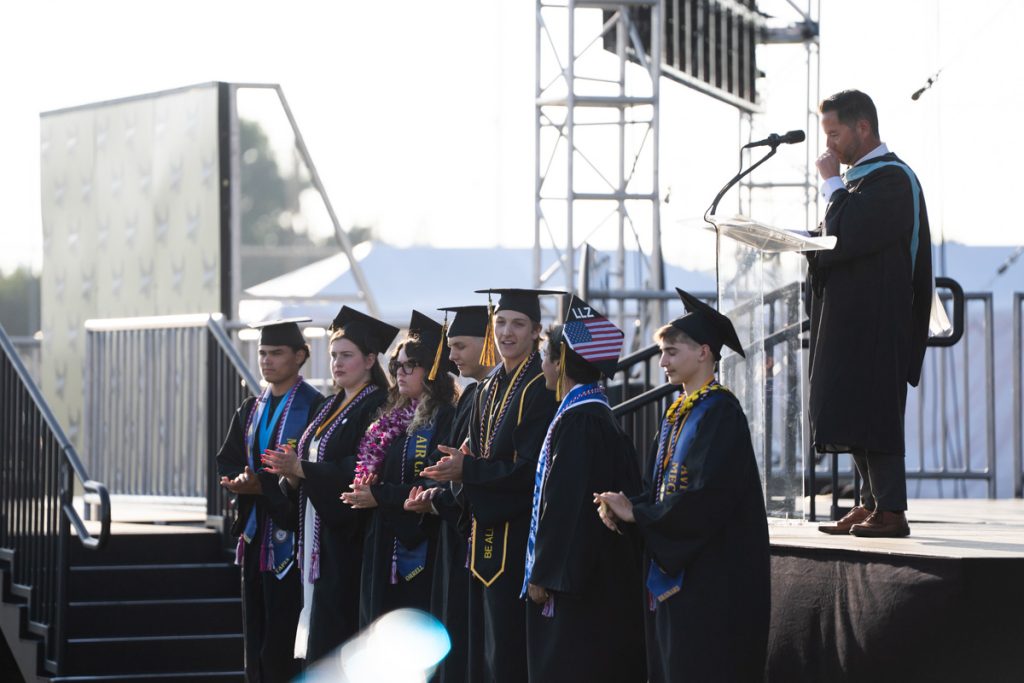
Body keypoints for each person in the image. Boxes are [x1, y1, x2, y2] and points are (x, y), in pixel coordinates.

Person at [596, 288, 770, 683]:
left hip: (711, 579)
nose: (662, 362)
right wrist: (626, 508)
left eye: (671, 352)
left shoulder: (720, 412)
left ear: (704, 352)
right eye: (662, 353)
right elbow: (659, 490)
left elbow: (706, 499)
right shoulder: (677, 413)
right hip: (678, 575)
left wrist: (639, 514)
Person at [809, 89, 933, 538]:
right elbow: (836, 236)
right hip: (853, 321)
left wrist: (831, 185)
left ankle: (892, 510)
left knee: (875, 411)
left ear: (863, 127)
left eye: (835, 133)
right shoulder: (860, 182)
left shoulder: (893, 179)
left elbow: (848, 234)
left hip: (881, 322)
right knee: (851, 407)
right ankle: (871, 504)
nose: (829, 145)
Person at [421, 288, 558, 683]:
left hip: (521, 539)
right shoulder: (488, 386)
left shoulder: (541, 386)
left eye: (518, 324)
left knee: (510, 650)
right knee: (483, 650)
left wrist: (467, 471)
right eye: (500, 323)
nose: (507, 332)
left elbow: (533, 471)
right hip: (483, 537)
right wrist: (456, 473)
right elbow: (477, 456)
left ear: (536, 331)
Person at [261, 307, 396, 663]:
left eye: (347, 355)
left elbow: (361, 466)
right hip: (316, 529)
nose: (337, 363)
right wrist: (292, 474)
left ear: (370, 360)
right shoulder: (331, 404)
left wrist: (303, 469)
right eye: (334, 355)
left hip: (346, 537)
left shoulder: (377, 405)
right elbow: (311, 462)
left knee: (336, 627)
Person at [523, 297, 646, 683]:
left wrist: (544, 572)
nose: (541, 365)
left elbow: (566, 504)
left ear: (561, 362)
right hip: (597, 574)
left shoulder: (581, 423)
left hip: (582, 583)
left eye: (545, 356)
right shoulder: (593, 415)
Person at [216, 318, 322, 683]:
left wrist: (261, 485)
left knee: (283, 634)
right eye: (262, 353)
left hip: (293, 537)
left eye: (276, 353)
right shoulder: (251, 408)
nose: (266, 360)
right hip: (255, 533)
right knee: (255, 632)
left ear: (300, 355)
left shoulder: (314, 406)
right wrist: (238, 481)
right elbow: (228, 458)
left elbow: (311, 471)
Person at [342, 310, 457, 626]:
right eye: (396, 365)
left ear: (432, 369)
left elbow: (432, 482)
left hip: (421, 543)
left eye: (410, 365)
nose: (400, 373)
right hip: (382, 539)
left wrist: (379, 495)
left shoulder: (445, 418)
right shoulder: (391, 417)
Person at [404, 304, 495, 683]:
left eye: (459, 346)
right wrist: (432, 491)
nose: (452, 354)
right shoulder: (474, 395)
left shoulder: (510, 394)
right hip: (455, 526)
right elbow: (447, 460)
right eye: (451, 346)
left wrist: (443, 493)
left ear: (487, 344)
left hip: (482, 533)